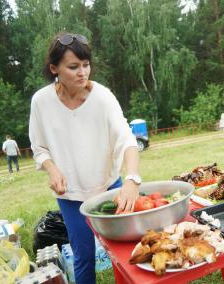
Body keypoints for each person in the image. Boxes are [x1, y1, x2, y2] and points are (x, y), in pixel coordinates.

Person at [29, 32, 141, 284]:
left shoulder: (103, 97)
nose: (83, 72)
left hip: (108, 187)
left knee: (122, 253)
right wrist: (51, 169)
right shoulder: (41, 102)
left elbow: (127, 140)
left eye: (86, 64)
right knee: (83, 256)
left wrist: (132, 180)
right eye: (73, 67)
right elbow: (39, 148)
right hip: (70, 196)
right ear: (54, 68)